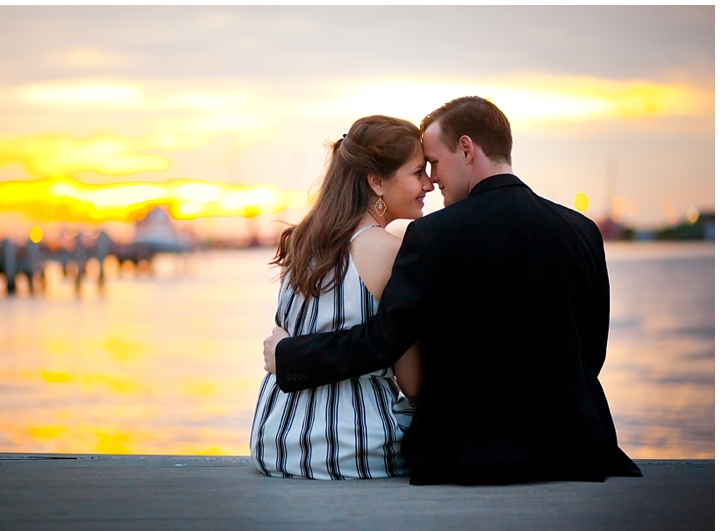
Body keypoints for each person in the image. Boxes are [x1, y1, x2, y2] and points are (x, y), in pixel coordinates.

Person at [264, 96, 642, 486]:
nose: (433, 179)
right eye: (422, 170)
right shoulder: (582, 231)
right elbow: (592, 353)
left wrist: (290, 356)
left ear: (466, 148)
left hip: (468, 455)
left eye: (434, 163)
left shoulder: (432, 236)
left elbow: (385, 341)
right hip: (574, 449)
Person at [250, 115, 433, 479]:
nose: (429, 184)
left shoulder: (301, 243)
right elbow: (412, 385)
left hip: (276, 440)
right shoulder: (392, 252)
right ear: (377, 182)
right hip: (356, 446)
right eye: (417, 173)